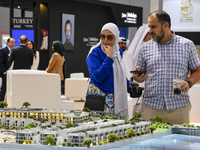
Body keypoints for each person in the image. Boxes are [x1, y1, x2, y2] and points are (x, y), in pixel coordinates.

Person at [133, 10, 200, 124]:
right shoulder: (145, 48)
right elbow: (140, 73)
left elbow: (197, 70)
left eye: (153, 27)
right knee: (150, 141)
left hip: (179, 107)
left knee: (180, 141)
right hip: (151, 108)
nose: (150, 31)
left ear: (166, 25)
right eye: (149, 27)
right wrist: (137, 77)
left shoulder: (187, 45)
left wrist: (189, 83)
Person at [86, 23, 130, 119]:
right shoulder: (95, 52)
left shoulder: (118, 52)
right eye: (103, 36)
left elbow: (119, 75)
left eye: (109, 37)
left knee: (116, 130)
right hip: (99, 97)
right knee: (98, 129)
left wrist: (130, 86)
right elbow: (98, 77)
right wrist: (108, 57)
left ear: (115, 38)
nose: (105, 40)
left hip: (115, 98)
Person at [0, 37, 15, 103]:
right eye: (11, 42)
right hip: (6, 72)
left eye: (14, 42)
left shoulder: (14, 50)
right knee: (4, 88)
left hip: (13, 72)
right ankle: (1, 103)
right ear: (7, 43)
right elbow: (1, 62)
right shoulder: (3, 50)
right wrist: (4, 71)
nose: (13, 44)